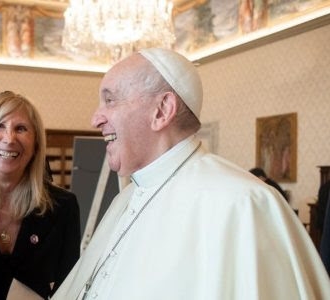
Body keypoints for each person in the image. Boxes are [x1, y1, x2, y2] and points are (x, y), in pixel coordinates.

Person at [53, 48, 330, 299]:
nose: (95, 119)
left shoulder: (244, 205)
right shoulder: (126, 198)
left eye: (110, 100)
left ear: (161, 111)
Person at [0, 91, 81, 299]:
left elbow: (70, 288)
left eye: (21, 129)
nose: (9, 139)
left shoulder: (63, 207)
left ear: (36, 145)